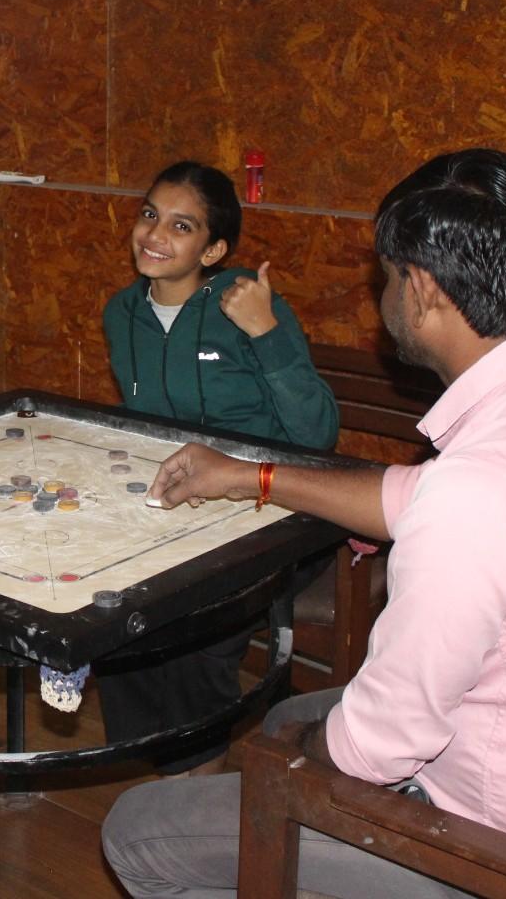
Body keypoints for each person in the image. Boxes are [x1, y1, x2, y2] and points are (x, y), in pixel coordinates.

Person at [101, 148, 506, 897]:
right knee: (286, 720)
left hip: (505, 851)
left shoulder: (482, 490)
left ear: (419, 289)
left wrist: (296, 769)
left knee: (140, 827)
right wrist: (251, 476)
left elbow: (383, 741)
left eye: (385, 275)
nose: (380, 292)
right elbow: (414, 496)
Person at [96, 160, 340, 776]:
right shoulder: (121, 313)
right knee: (109, 611)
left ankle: (196, 770)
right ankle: (155, 765)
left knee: (195, 628)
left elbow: (317, 435)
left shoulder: (247, 307)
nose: (155, 234)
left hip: (272, 506)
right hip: (182, 504)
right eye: (150, 214)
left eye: (182, 226)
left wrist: (265, 329)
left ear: (215, 249)